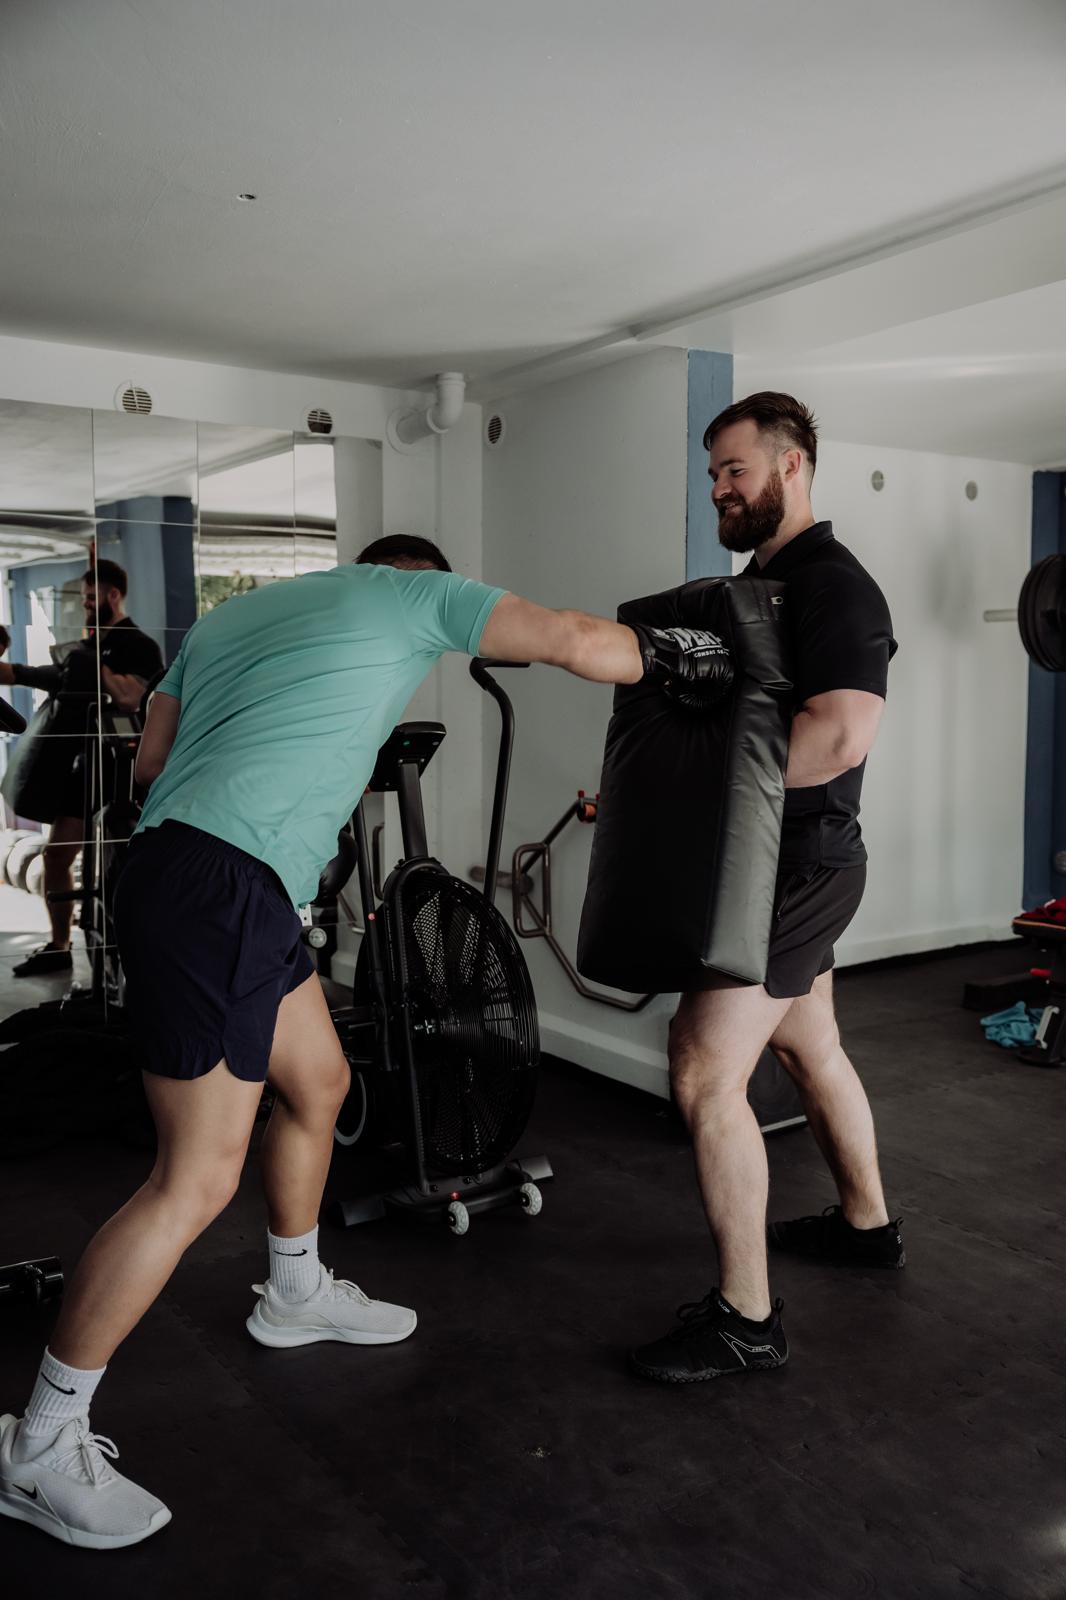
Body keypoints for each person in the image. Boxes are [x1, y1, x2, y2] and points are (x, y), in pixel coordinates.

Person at [0, 534, 720, 1550]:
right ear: (420, 578)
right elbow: (569, 638)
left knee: (321, 1081)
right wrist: (692, 653)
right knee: (193, 1179)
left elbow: (154, 763)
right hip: (222, 890)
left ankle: (294, 1290)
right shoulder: (411, 595)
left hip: (212, 878)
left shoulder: (228, 620)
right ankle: (40, 1441)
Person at [631, 391, 902, 1386]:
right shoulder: (757, 589)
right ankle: (867, 1227)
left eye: (734, 470)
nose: (718, 489)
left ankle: (746, 1318)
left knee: (704, 1071)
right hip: (771, 859)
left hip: (799, 866)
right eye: (712, 474)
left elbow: (840, 736)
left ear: (792, 466)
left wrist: (690, 781)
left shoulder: (836, 587)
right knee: (811, 1044)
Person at [0, 560, 163, 976]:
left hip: (118, 775)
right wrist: (12, 672)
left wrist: (97, 666)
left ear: (113, 595)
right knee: (57, 856)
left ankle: (131, 955)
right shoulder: (90, 644)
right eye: (86, 598)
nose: (87, 605)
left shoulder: (138, 645)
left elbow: (130, 698)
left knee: (117, 867)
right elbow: (49, 676)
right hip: (79, 772)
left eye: (92, 598)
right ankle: (59, 945)